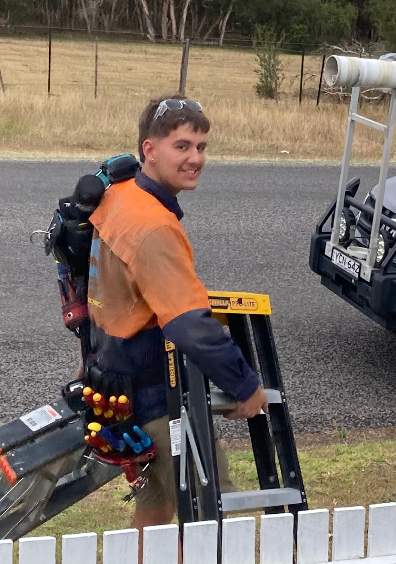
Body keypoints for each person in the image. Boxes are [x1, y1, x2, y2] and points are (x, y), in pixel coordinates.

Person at [87, 96, 267, 526]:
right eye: (182, 146)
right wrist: (245, 385)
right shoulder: (154, 227)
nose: (196, 158)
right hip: (154, 398)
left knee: (156, 506)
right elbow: (190, 326)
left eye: (202, 147)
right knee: (213, 507)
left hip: (112, 380)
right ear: (149, 150)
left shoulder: (118, 198)